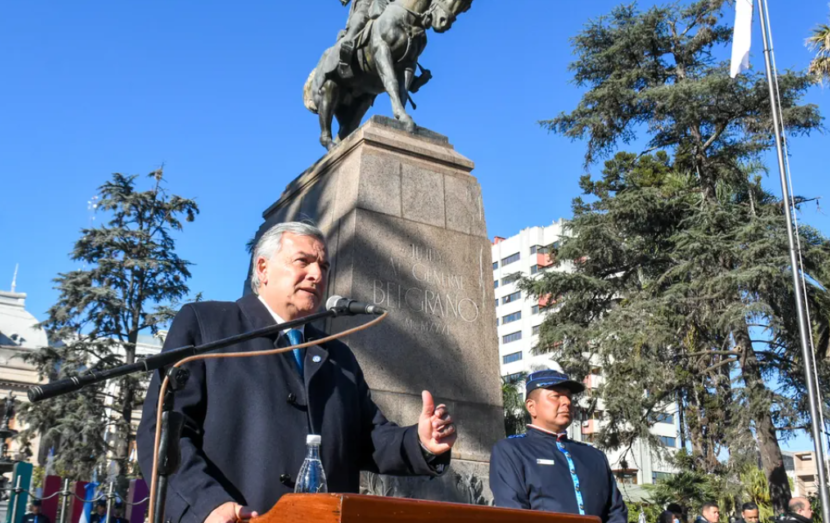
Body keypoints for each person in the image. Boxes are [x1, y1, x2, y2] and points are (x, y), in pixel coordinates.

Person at [136, 221, 456, 523]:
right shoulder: (208, 326)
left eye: (324, 266)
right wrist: (209, 504)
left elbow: (370, 438)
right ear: (263, 268)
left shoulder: (337, 356)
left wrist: (421, 442)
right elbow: (163, 434)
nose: (317, 274)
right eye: (303, 261)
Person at [489, 370, 627, 523]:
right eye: (556, 396)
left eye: (568, 396)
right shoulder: (512, 450)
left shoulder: (595, 456)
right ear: (531, 407)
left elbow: (616, 512)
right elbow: (513, 513)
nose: (566, 402)